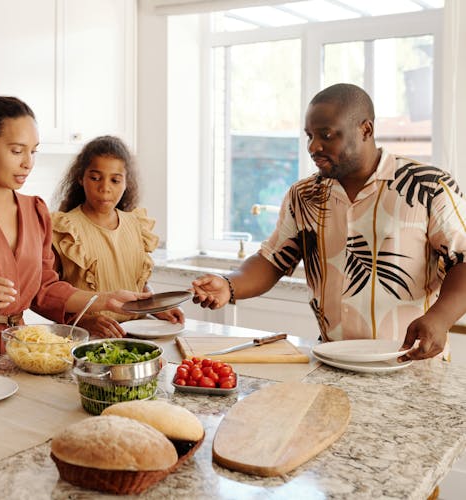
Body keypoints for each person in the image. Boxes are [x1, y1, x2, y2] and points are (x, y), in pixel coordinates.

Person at [191, 83, 466, 362]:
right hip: (333, 360)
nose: (314, 146)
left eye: (326, 135)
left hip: (411, 363)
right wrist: (229, 284)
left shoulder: (427, 186)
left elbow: (463, 259)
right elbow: (273, 259)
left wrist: (440, 318)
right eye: (309, 136)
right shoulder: (304, 195)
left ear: (366, 130)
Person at [0, 88, 149, 363]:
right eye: (17, 151)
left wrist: (104, 300)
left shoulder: (35, 211)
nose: (28, 163)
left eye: (33, 151)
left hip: (18, 351)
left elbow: (44, 287)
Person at [51, 135, 184, 338]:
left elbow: (138, 284)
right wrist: (84, 322)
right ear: (80, 178)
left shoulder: (137, 224)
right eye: (95, 178)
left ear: (126, 182)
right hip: (87, 339)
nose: (105, 187)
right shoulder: (64, 229)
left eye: (115, 180)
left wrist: (156, 306)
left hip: (139, 336)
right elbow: (48, 295)